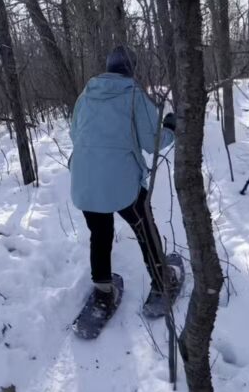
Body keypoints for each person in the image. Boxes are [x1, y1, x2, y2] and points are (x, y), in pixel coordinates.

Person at [69, 45, 178, 319]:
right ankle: (163, 280)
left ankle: (104, 289)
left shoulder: (86, 95)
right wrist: (171, 126)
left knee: (100, 234)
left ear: (108, 68)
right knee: (145, 230)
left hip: (84, 180)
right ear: (132, 69)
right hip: (122, 184)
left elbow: (75, 134)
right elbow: (154, 142)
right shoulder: (133, 95)